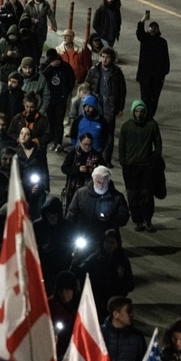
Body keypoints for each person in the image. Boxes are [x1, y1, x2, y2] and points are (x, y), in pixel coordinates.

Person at [118, 100, 163, 232]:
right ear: (133, 112)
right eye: (137, 111)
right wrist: (123, 162)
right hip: (130, 167)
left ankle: (147, 220)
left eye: (141, 111)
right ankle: (137, 220)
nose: (139, 114)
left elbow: (158, 142)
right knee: (133, 196)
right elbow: (122, 145)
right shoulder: (126, 126)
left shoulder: (151, 125)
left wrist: (155, 157)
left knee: (147, 195)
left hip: (146, 167)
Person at [66, 165, 130, 245]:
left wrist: (110, 219)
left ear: (109, 181)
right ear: (93, 180)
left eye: (105, 182)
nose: (101, 185)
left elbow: (124, 216)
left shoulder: (117, 197)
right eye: (99, 182)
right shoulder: (81, 193)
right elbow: (72, 213)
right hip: (84, 236)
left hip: (107, 237)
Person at [84, 46, 127, 166]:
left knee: (108, 133)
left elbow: (122, 91)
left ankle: (106, 159)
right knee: (94, 131)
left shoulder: (117, 73)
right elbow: (87, 86)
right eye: (102, 56)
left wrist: (120, 107)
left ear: (112, 58)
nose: (104, 59)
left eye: (107, 57)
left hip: (110, 106)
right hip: (96, 105)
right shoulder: (94, 70)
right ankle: (93, 157)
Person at [100, 296, 146, 361]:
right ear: (116, 314)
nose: (132, 314)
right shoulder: (100, 333)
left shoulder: (137, 336)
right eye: (128, 311)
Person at [134, 11, 170, 119]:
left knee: (154, 98)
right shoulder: (145, 39)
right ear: (148, 29)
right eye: (151, 27)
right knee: (145, 97)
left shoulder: (162, 42)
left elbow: (166, 59)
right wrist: (143, 20)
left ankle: (151, 115)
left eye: (155, 27)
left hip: (157, 77)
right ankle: (145, 115)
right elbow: (139, 33)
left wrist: (164, 73)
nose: (153, 29)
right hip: (145, 75)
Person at [60, 132, 103, 210]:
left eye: (89, 145)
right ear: (80, 143)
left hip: (90, 190)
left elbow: (104, 171)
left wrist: (94, 170)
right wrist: (78, 169)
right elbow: (64, 168)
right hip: (73, 190)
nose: (87, 147)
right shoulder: (73, 154)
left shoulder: (97, 156)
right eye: (85, 144)